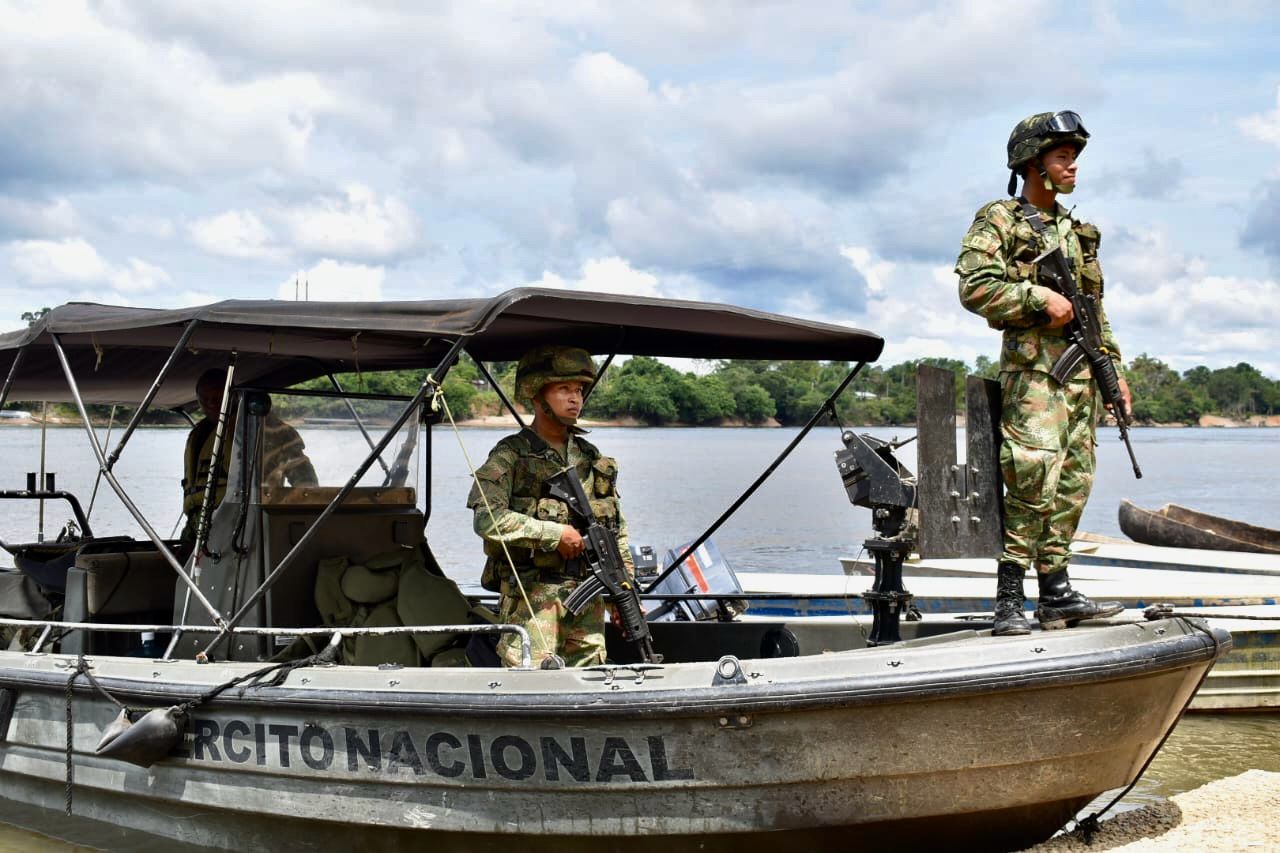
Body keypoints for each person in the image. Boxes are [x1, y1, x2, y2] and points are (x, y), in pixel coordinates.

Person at [956, 110, 1129, 636]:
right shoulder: (1001, 220)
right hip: (1034, 377)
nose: (1072, 165)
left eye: (1074, 156)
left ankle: (1056, 593)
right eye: (1062, 156)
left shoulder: (1079, 233)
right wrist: (1038, 296)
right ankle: (1009, 599)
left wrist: (1115, 371)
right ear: (1033, 165)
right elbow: (975, 287)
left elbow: (1095, 310)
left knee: (1074, 483)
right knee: (1031, 481)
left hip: (1081, 377)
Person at [466, 345, 634, 667]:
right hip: (533, 601)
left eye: (579, 390)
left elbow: (615, 530)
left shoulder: (590, 457)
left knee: (591, 683)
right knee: (532, 685)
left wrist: (625, 592)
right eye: (564, 389)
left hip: (588, 600)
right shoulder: (510, 455)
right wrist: (553, 534)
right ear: (536, 395)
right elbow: (487, 519)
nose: (576, 398)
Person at [180, 368, 318, 550]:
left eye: (218, 398)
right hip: (198, 526)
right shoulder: (201, 433)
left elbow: (306, 485)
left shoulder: (269, 431)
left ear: (234, 396)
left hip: (241, 527)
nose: (211, 404)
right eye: (204, 399)